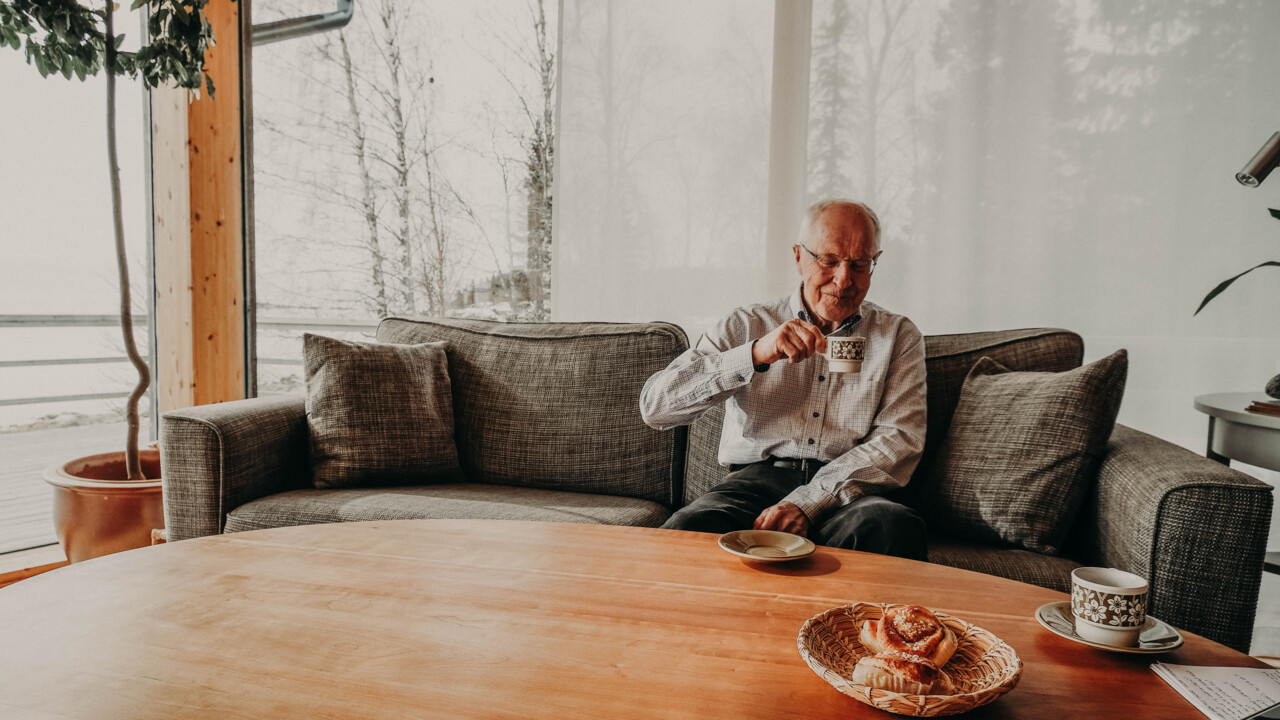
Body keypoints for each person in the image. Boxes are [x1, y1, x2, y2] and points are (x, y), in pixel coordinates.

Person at [639, 199, 928, 560]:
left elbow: (899, 440)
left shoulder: (898, 336)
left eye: (859, 264)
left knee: (891, 525)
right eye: (829, 261)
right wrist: (756, 353)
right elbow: (656, 408)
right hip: (751, 485)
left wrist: (808, 502)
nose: (844, 280)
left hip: (849, 491)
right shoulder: (746, 324)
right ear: (798, 256)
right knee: (685, 534)